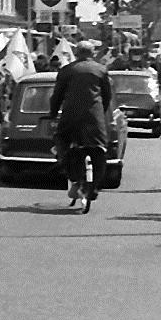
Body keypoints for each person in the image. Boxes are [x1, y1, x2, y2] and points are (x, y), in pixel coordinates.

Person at [48, 41, 114, 205]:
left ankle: (72, 176)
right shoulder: (101, 70)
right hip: (95, 118)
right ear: (92, 53)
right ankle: (95, 186)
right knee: (99, 150)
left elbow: (57, 96)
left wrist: (53, 114)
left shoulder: (67, 70)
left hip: (71, 116)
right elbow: (107, 96)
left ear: (76, 53)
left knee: (62, 141)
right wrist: (101, 111)